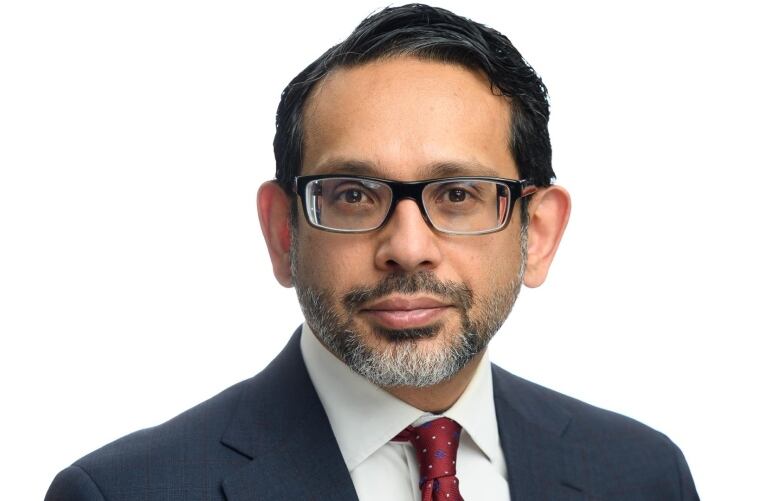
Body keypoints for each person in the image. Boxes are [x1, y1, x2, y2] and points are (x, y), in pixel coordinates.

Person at [45, 4, 698, 500]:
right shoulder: (124, 491)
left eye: (459, 194)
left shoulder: (642, 473)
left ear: (539, 234)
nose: (408, 248)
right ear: (282, 234)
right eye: (354, 195)